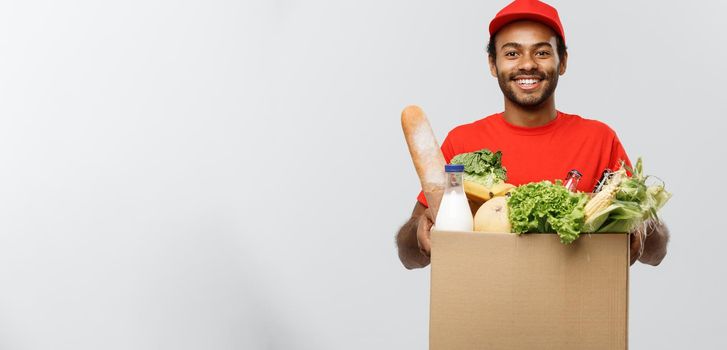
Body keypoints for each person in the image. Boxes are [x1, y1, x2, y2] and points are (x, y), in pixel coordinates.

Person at [396, 0, 669, 269]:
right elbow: (409, 256)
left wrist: (642, 228)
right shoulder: (463, 144)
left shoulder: (599, 139)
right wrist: (420, 233)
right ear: (493, 64)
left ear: (562, 62)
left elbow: (656, 254)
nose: (527, 64)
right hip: (486, 304)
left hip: (576, 305)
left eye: (542, 53)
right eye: (512, 53)